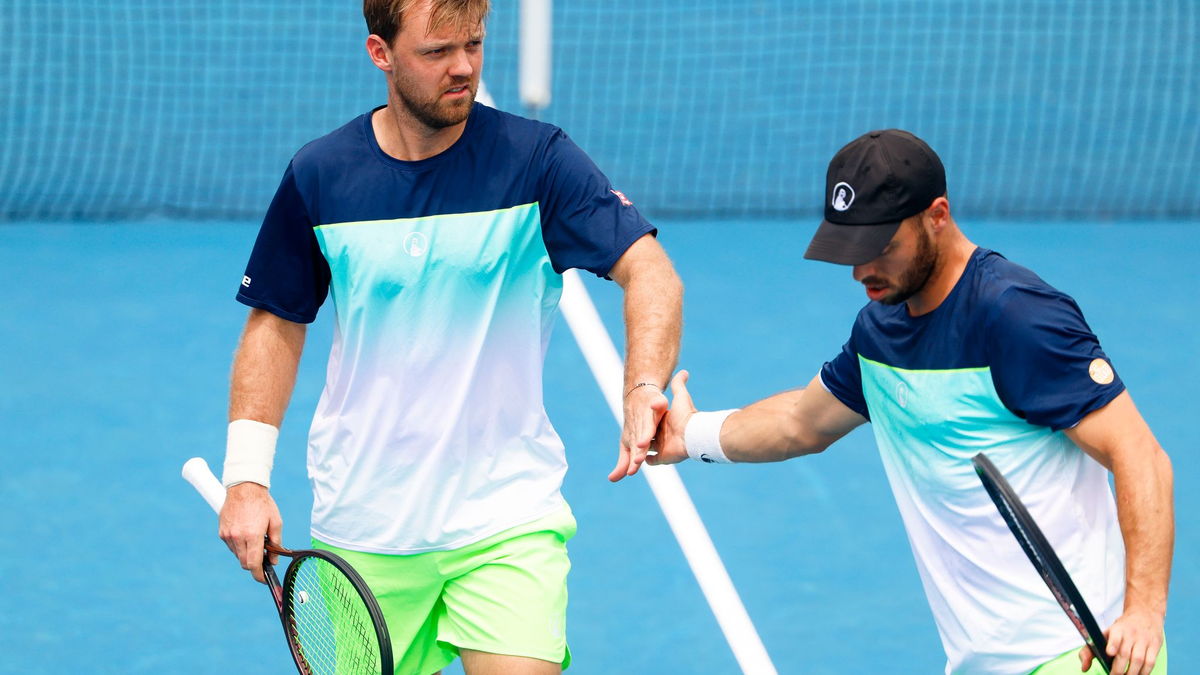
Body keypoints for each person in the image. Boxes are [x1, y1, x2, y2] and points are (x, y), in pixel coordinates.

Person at [216, 1, 683, 674]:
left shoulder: (538, 163)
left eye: (474, 44)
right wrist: (246, 477)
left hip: (504, 517)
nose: (462, 67)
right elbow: (275, 324)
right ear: (381, 53)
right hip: (366, 527)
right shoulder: (321, 176)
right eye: (437, 52)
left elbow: (651, 272)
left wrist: (643, 384)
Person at [650, 130, 1173, 675]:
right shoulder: (880, 331)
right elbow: (799, 423)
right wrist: (693, 436)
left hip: (1075, 656)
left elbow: (1141, 456)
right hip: (979, 661)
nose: (860, 272)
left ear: (937, 215)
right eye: (849, 251)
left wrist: (1142, 613)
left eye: (879, 248)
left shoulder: (1016, 316)